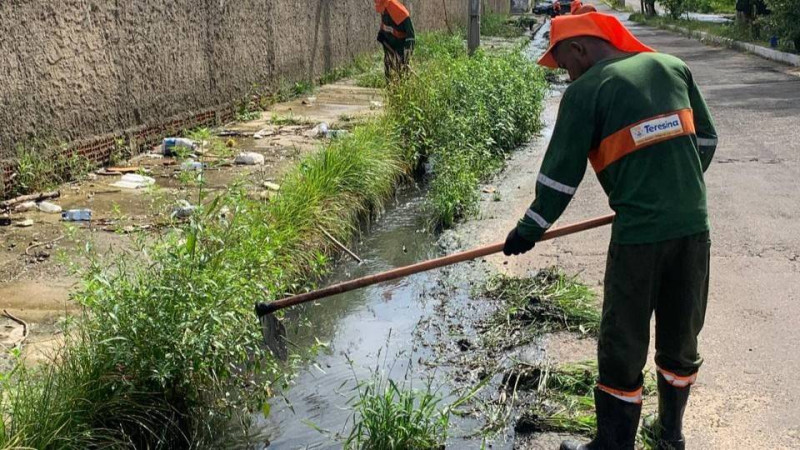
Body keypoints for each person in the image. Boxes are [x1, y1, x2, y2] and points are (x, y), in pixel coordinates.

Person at [502, 12, 717, 450]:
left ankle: (613, 445)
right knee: (681, 335)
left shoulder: (586, 92)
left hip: (639, 237)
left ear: (580, 48)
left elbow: (559, 179)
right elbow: (707, 142)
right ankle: (671, 437)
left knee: (623, 341)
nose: (565, 75)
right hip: (694, 225)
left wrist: (528, 230)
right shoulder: (671, 66)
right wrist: (670, 189)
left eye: (563, 64)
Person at [375, 0, 415, 81]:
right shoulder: (384, 11)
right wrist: (382, 34)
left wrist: (406, 53)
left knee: (402, 71)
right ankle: (389, 88)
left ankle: (404, 89)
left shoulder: (401, 13)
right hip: (389, 45)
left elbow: (411, 36)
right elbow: (385, 25)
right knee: (388, 67)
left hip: (400, 46)